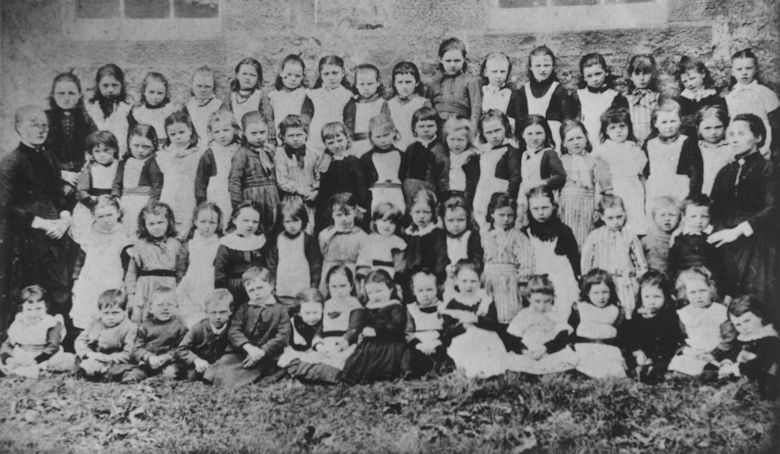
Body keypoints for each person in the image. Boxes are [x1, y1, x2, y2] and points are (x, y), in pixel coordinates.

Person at [0, 106, 75, 342]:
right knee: (30, 287)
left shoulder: (49, 156)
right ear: (19, 128)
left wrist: (64, 217)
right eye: (34, 124)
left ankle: (58, 342)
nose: (41, 129)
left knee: (59, 285)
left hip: (55, 233)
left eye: (44, 124)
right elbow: (5, 206)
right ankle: (24, 344)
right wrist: (41, 223)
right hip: (26, 237)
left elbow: (57, 194)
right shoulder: (12, 161)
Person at [708, 114, 779, 320]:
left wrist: (739, 230)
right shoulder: (725, 172)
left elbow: (774, 207)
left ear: (757, 137)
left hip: (758, 247)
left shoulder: (769, 169)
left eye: (741, 133)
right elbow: (715, 208)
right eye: (731, 134)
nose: (734, 138)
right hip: (727, 247)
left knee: (757, 303)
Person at [205, 267, 290, 387]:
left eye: (260, 288)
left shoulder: (281, 310)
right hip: (244, 351)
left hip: (266, 354)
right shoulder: (244, 308)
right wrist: (248, 347)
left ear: (271, 285)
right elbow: (234, 330)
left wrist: (262, 351)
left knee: (233, 377)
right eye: (251, 290)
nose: (256, 293)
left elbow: (282, 336)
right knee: (216, 369)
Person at [70, 196, 130, 333]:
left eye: (109, 215)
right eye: (101, 216)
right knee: (87, 311)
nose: (106, 220)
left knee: (110, 311)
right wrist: (76, 279)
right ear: (93, 216)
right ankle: (85, 342)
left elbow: (127, 267)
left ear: (118, 213)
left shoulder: (122, 238)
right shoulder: (89, 236)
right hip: (90, 281)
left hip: (111, 281)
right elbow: (80, 261)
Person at [581, 194, 648, 318]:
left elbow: (641, 264)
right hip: (603, 284)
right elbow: (586, 263)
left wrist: (638, 282)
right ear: (602, 217)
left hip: (625, 282)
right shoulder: (595, 236)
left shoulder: (630, 236)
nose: (615, 221)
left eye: (619, 217)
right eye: (610, 218)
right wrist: (589, 281)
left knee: (626, 312)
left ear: (624, 214)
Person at [340, 269, 411, 384]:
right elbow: (363, 324)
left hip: (390, 343)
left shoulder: (394, 306)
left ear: (390, 288)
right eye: (371, 293)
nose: (375, 296)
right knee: (361, 362)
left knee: (386, 365)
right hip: (371, 344)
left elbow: (397, 327)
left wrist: (377, 331)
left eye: (379, 291)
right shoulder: (369, 306)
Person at [440, 259, 508, 378]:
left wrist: (476, 319)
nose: (469, 286)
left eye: (473, 281)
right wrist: (461, 326)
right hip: (463, 338)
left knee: (486, 353)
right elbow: (446, 330)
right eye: (464, 281)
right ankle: (466, 371)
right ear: (456, 280)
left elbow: (493, 323)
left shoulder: (485, 300)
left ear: (479, 281)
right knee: (464, 350)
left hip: (485, 338)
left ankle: (483, 372)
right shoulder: (453, 302)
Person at [522, 185, 580, 320]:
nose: (541, 213)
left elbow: (574, 260)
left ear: (553, 206)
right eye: (535, 209)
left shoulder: (563, 231)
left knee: (561, 311)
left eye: (545, 208)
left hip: (561, 278)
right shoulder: (526, 233)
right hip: (536, 280)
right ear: (529, 209)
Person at [503, 275, 578, 375]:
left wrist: (545, 348)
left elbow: (562, 338)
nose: (542, 307)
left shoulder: (555, 315)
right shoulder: (524, 315)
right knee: (516, 362)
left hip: (549, 351)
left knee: (562, 359)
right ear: (529, 298)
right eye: (537, 301)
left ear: (553, 298)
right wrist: (525, 351)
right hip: (528, 352)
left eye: (547, 301)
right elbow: (512, 338)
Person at [619, 270, 684, 383]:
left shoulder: (670, 316)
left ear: (666, 296)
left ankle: (652, 371)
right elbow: (631, 338)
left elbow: (670, 341)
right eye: (647, 297)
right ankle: (639, 370)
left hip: (661, 354)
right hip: (642, 354)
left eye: (657, 297)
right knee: (628, 356)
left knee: (666, 362)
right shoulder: (638, 315)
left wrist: (652, 358)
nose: (651, 301)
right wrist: (638, 351)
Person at [125, 202, 185, 323]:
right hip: (146, 287)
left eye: (160, 222)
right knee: (145, 318)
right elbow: (131, 273)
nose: (156, 227)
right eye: (151, 224)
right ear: (144, 225)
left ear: (169, 222)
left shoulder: (176, 244)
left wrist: (180, 291)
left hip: (169, 286)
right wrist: (131, 294)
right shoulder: (140, 245)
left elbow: (181, 271)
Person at [592, 106, 647, 235]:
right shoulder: (605, 150)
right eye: (613, 128)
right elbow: (602, 174)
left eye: (622, 126)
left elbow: (641, 174)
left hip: (634, 190)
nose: (618, 131)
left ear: (628, 127)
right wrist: (608, 192)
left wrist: (645, 192)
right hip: (616, 189)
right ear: (606, 131)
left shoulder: (635, 149)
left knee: (634, 219)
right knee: (617, 218)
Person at [0, 285, 76, 378]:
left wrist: (35, 360)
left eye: (39, 308)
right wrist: (8, 358)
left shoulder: (50, 322)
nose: (33, 314)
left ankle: (36, 371)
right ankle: (25, 371)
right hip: (22, 356)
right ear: (22, 309)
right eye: (29, 309)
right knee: (6, 362)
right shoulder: (19, 321)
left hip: (44, 356)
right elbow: (7, 344)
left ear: (46, 307)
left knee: (66, 360)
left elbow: (53, 347)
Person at [482, 193, 535, 325]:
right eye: (502, 215)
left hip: (509, 281)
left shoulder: (518, 237)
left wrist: (523, 281)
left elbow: (527, 260)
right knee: (488, 311)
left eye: (510, 215)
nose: (506, 219)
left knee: (507, 313)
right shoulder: (485, 234)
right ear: (492, 213)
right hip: (489, 279)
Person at [642, 99, 703, 214]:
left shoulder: (687, 142)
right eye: (664, 122)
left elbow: (696, 173)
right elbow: (644, 172)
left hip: (679, 192)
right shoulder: (649, 144)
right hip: (655, 192)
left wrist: (691, 198)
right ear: (655, 123)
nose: (669, 126)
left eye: (673, 121)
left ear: (680, 121)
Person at [716, 295, 780, 400]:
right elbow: (733, 353)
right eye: (738, 325)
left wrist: (734, 368)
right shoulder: (744, 337)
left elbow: (758, 365)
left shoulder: (770, 340)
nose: (744, 328)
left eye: (747, 321)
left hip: (765, 382)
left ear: (760, 315)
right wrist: (728, 362)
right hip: (744, 376)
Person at [508, 46, 574, 147]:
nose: (542, 69)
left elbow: (567, 122)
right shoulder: (521, 93)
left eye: (546, 65)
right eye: (538, 66)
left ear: (553, 66)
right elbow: (512, 120)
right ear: (530, 67)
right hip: (527, 144)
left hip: (553, 143)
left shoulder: (560, 91)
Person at [558, 119, 610, 247]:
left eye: (579, 138)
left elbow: (599, 186)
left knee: (586, 238)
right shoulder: (559, 161)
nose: (576, 142)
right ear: (564, 143)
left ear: (586, 139)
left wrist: (597, 207)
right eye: (570, 139)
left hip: (588, 205)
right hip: (566, 205)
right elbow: (556, 188)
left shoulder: (594, 161)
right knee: (568, 239)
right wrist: (557, 206)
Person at [667, 267, 728, 376]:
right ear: (685, 294)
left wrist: (715, 353)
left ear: (711, 289)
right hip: (695, 352)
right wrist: (687, 350)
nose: (698, 296)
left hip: (716, 351)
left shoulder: (719, 311)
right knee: (680, 364)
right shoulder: (686, 313)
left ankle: (710, 372)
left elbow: (728, 337)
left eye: (702, 291)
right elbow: (682, 337)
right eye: (693, 292)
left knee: (713, 369)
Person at [45, 72, 97, 198]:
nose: (66, 98)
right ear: (53, 95)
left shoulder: (86, 119)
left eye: (71, 93)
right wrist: (61, 173)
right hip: (53, 174)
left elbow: (95, 146)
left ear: (79, 95)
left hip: (81, 175)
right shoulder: (44, 119)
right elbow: (38, 153)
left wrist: (83, 173)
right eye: (61, 93)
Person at [668, 195, 733, 297]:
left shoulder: (714, 238)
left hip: (709, 286)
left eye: (704, 216)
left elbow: (724, 268)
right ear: (684, 216)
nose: (699, 221)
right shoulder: (678, 239)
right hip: (684, 287)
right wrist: (671, 291)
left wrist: (728, 294)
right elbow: (671, 266)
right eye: (693, 216)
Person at [228, 111, 280, 235]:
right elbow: (234, 181)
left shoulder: (270, 150)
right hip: (253, 198)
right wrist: (239, 207)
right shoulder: (242, 154)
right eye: (253, 133)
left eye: (262, 132)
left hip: (272, 198)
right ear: (244, 133)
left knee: (273, 231)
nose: (259, 137)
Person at [265, 198, 323, 308]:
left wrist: (314, 285)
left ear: (303, 220)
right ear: (282, 222)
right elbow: (271, 264)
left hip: (303, 288)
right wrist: (272, 284)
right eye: (288, 221)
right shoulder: (277, 239)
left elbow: (315, 264)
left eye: (296, 221)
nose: (292, 225)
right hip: (283, 289)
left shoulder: (308, 240)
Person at [568, 269, 626, 378]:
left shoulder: (615, 310)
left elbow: (622, 337)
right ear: (587, 293)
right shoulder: (581, 309)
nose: (601, 297)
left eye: (605, 292)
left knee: (613, 370)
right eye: (596, 293)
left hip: (608, 350)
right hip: (585, 349)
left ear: (611, 291)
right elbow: (570, 331)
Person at [123, 287, 188, 383]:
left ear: (176, 307)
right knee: (138, 372)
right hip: (149, 362)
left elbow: (182, 348)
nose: (165, 308)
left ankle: (157, 379)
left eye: (169, 305)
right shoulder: (145, 326)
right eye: (160, 305)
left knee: (172, 371)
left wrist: (167, 357)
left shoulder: (180, 327)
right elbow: (137, 348)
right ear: (150, 308)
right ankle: (135, 377)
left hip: (170, 361)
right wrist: (149, 357)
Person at [314, 122, 369, 233]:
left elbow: (361, 185)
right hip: (331, 208)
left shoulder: (353, 161)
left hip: (350, 205)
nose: (336, 145)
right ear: (325, 144)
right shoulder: (325, 164)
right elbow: (323, 187)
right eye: (331, 143)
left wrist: (362, 206)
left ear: (347, 138)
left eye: (339, 140)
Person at [724, 49, 780, 158]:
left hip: (763, 141)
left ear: (755, 69)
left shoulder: (765, 93)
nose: (744, 72)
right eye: (739, 69)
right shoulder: (731, 97)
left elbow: (775, 124)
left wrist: (769, 146)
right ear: (732, 72)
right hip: (740, 141)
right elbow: (731, 123)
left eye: (748, 68)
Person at [111, 124, 164, 238]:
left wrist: (150, 205)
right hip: (125, 202)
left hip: (143, 202)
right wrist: (115, 197)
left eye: (145, 147)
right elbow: (117, 183)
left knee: (139, 229)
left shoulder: (152, 163)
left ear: (154, 146)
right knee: (124, 229)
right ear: (129, 143)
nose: (140, 150)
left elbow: (157, 186)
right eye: (136, 146)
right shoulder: (124, 162)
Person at [176, 202, 223, 327]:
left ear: (218, 224)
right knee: (190, 319)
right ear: (195, 221)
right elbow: (181, 269)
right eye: (203, 222)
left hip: (211, 285)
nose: (207, 226)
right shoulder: (189, 244)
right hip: (190, 285)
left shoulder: (221, 244)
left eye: (212, 222)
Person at [499, 114, 566, 203]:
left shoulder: (549, 154)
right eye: (530, 134)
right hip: (522, 200)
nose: (534, 138)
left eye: (539, 133)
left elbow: (560, 176)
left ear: (546, 133)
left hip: (541, 199)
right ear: (523, 134)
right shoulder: (521, 154)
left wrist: (538, 183)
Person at [214, 201, 269, 307]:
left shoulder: (260, 242)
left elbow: (266, 267)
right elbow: (219, 275)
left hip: (256, 289)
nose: (250, 225)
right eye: (245, 220)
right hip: (234, 290)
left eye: (255, 222)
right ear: (234, 220)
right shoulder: (227, 244)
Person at [158, 110, 203, 238]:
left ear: (190, 130)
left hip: (188, 195)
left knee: (186, 227)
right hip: (169, 195)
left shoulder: (198, 153)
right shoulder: (163, 154)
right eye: (173, 134)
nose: (177, 137)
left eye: (181, 132)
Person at [74, 289, 137, 381]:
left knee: (129, 370)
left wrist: (106, 358)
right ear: (100, 312)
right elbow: (80, 341)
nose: (110, 317)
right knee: (69, 360)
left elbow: (128, 354)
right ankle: (88, 371)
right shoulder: (95, 322)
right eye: (106, 313)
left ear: (124, 312)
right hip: (93, 357)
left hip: (115, 361)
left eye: (115, 313)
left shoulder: (130, 327)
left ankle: (102, 374)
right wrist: (88, 353)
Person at [70, 131, 120, 245]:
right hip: (92, 204)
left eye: (106, 150)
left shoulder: (119, 165)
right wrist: (93, 204)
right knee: (89, 233)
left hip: (112, 203)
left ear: (114, 149)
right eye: (97, 151)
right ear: (91, 153)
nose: (102, 155)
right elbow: (81, 191)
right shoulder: (89, 168)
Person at [274, 114, 322, 234]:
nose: (295, 139)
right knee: (292, 227)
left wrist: (315, 191)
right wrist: (300, 190)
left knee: (310, 228)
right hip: (291, 198)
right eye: (291, 135)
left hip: (310, 199)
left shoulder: (313, 154)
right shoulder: (280, 155)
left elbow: (318, 176)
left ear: (306, 135)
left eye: (299, 135)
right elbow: (282, 180)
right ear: (283, 137)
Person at [194, 110, 241, 229]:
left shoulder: (240, 150)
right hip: (217, 195)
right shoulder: (210, 153)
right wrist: (202, 202)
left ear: (235, 130)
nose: (222, 135)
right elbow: (201, 180)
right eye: (217, 131)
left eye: (226, 130)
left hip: (237, 194)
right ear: (211, 133)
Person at [571, 53, 628, 147]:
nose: (595, 79)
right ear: (584, 77)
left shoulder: (615, 97)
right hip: (585, 145)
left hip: (608, 145)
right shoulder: (578, 96)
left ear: (606, 72)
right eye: (589, 76)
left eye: (598, 74)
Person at [175, 289, 232, 381]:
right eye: (213, 312)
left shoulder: (233, 328)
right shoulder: (198, 328)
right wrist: (196, 360)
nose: (218, 317)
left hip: (222, 365)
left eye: (222, 312)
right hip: (201, 364)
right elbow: (181, 349)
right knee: (191, 376)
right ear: (206, 312)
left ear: (230, 311)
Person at [426, 37, 482, 131]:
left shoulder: (471, 82)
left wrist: (473, 131)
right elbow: (428, 109)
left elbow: (476, 110)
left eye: (457, 60)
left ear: (464, 59)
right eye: (448, 61)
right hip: (439, 129)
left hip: (461, 128)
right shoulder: (434, 85)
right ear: (440, 59)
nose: (452, 65)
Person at [317, 193, 369, 294]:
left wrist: (361, 282)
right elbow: (320, 255)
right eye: (339, 215)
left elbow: (365, 263)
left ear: (355, 211)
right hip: (329, 278)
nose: (344, 219)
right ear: (332, 214)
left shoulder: (362, 236)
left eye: (347, 214)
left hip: (352, 279)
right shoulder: (325, 235)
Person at [401, 190, 448, 300]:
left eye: (426, 212)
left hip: (431, 278)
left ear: (432, 213)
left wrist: (438, 277)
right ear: (410, 212)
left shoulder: (436, 233)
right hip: (412, 279)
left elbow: (441, 256)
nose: (421, 216)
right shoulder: (409, 234)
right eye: (417, 212)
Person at [406, 270, 453, 377]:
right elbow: (408, 332)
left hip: (437, 342)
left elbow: (449, 329)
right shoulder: (412, 308)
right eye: (420, 290)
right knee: (413, 359)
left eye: (429, 289)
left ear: (437, 289)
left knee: (444, 358)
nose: (425, 294)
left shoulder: (443, 307)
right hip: (419, 344)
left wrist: (437, 342)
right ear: (413, 291)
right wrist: (418, 345)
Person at [472, 110, 512, 231]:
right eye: (489, 132)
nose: (494, 136)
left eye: (497, 130)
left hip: (501, 191)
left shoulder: (511, 149)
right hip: (483, 192)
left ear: (505, 127)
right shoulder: (481, 150)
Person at [673, 55, 728, 140]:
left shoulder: (714, 98)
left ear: (703, 74)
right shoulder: (681, 101)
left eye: (692, 78)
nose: (689, 84)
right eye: (685, 81)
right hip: (690, 140)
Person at [401, 106, 449, 203]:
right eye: (421, 126)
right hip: (410, 192)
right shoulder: (410, 148)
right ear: (414, 128)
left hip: (430, 193)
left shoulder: (439, 149)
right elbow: (404, 172)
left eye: (430, 126)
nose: (426, 129)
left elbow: (443, 177)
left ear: (437, 127)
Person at [360, 114, 406, 214]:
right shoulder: (366, 158)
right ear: (371, 137)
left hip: (397, 195)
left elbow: (404, 178)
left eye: (386, 135)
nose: (382, 140)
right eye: (378, 136)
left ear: (394, 132)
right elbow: (363, 183)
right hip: (376, 196)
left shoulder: (402, 155)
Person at [306, 55, 353, 154]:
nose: (331, 78)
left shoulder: (347, 96)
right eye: (326, 74)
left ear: (343, 72)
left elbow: (349, 122)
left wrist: (347, 142)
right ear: (321, 75)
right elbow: (306, 117)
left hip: (336, 140)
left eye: (335, 73)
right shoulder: (313, 95)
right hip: (315, 140)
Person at [85, 64, 132, 156]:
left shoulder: (127, 107)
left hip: (122, 154)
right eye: (105, 85)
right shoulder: (92, 108)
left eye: (115, 85)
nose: (110, 90)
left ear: (121, 85)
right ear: (98, 85)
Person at [344, 64, 390, 157]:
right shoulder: (352, 104)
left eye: (370, 83)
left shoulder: (383, 103)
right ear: (356, 85)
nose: (366, 88)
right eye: (361, 84)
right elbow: (347, 127)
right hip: (355, 147)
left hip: (376, 146)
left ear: (378, 83)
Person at [225, 57, 276, 140]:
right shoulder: (231, 96)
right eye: (244, 74)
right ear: (237, 75)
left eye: (252, 75)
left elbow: (268, 120)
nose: (248, 78)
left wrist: (270, 141)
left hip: (257, 137)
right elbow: (225, 118)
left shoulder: (260, 95)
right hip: (236, 137)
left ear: (258, 78)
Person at [440, 192, 484, 285]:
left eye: (460, 220)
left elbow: (477, 259)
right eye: (450, 220)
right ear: (443, 219)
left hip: (468, 279)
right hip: (449, 279)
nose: (456, 224)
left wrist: (463, 267)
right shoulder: (442, 237)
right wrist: (446, 267)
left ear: (467, 218)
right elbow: (439, 258)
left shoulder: (471, 236)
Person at [387, 62, 431, 151]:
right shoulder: (389, 104)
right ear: (394, 84)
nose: (404, 86)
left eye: (408, 82)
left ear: (417, 82)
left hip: (417, 148)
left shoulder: (422, 103)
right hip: (396, 147)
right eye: (400, 82)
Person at [356, 202, 406, 280]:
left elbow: (400, 266)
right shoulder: (369, 240)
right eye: (384, 220)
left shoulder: (399, 243)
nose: (387, 225)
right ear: (375, 221)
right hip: (372, 276)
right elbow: (364, 262)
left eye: (392, 222)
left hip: (391, 277)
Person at [268, 54, 314, 139]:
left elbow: (308, 118)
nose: (293, 79)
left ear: (302, 76)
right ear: (281, 73)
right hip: (279, 137)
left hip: (299, 137)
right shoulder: (273, 96)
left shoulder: (306, 94)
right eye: (289, 74)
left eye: (297, 76)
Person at [126, 72, 178, 140]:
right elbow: (132, 132)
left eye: (160, 93)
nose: (155, 96)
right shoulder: (138, 112)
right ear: (144, 91)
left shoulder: (169, 110)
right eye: (151, 92)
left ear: (165, 93)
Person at [441, 117, 480, 206]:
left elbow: (473, 182)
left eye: (461, 140)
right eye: (452, 139)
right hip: (446, 195)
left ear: (468, 140)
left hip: (464, 195)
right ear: (446, 138)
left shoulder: (471, 156)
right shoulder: (444, 155)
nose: (456, 144)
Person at [640, 196, 680, 277]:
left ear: (679, 217)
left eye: (672, 215)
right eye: (662, 215)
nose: (667, 219)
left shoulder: (680, 239)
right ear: (654, 218)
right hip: (653, 280)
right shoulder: (647, 240)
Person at [696, 105, 732, 196]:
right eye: (707, 128)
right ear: (698, 129)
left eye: (718, 127)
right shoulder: (694, 149)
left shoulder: (731, 149)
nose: (713, 132)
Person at [625, 54, 660, 144]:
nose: (641, 78)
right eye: (637, 74)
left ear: (653, 74)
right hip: (632, 142)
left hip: (652, 142)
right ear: (630, 76)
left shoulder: (657, 98)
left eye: (646, 73)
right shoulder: (626, 100)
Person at [182, 66, 223, 141]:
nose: (202, 90)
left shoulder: (218, 106)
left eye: (207, 86)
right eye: (199, 86)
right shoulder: (189, 106)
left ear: (213, 87)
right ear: (192, 85)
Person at [480, 52, 514, 123]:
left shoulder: (510, 92)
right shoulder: (482, 91)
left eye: (502, 72)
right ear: (486, 72)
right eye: (494, 71)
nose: (499, 76)